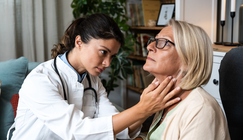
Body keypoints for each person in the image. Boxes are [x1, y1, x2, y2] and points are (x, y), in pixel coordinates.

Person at [7, 13, 182, 140]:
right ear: (79, 42)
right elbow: (76, 131)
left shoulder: (93, 81)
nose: (107, 63)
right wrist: (141, 109)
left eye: (112, 56)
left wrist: (146, 110)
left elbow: (116, 127)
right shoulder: (40, 80)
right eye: (103, 52)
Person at [136, 19, 230, 140]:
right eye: (154, 41)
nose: (149, 46)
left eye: (163, 42)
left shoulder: (201, 110)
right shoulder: (163, 98)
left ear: (188, 61)